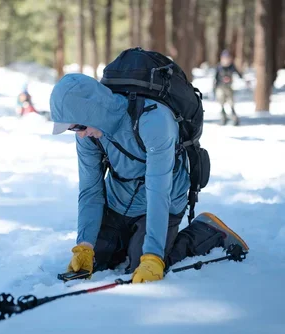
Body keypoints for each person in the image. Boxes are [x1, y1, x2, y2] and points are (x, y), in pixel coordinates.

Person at [50, 73, 248, 283]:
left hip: (165, 198)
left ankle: (207, 232)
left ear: (93, 112)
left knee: (142, 267)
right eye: (71, 129)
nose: (78, 134)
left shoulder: (153, 120)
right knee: (98, 260)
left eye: (78, 126)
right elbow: (90, 190)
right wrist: (85, 245)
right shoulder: (88, 135)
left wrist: (152, 255)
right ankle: (130, 240)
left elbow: (159, 189)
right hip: (120, 200)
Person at [214, 50, 250, 126]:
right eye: (224, 58)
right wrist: (215, 87)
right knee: (221, 102)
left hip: (229, 87)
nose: (226, 60)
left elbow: (238, 73)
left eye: (227, 58)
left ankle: (235, 118)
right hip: (220, 87)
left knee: (231, 102)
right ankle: (224, 117)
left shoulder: (231, 66)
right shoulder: (219, 67)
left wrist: (244, 80)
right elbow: (216, 77)